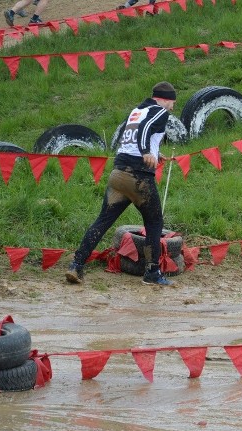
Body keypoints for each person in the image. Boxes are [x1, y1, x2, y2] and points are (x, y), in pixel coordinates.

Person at [66, 82, 178, 287]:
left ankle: (76, 265)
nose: (172, 108)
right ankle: (152, 273)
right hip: (138, 177)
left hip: (118, 174)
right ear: (165, 99)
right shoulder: (159, 111)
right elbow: (144, 132)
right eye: (173, 103)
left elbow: (131, 137)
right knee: (154, 223)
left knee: (102, 221)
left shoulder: (137, 110)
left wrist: (155, 153)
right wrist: (146, 152)